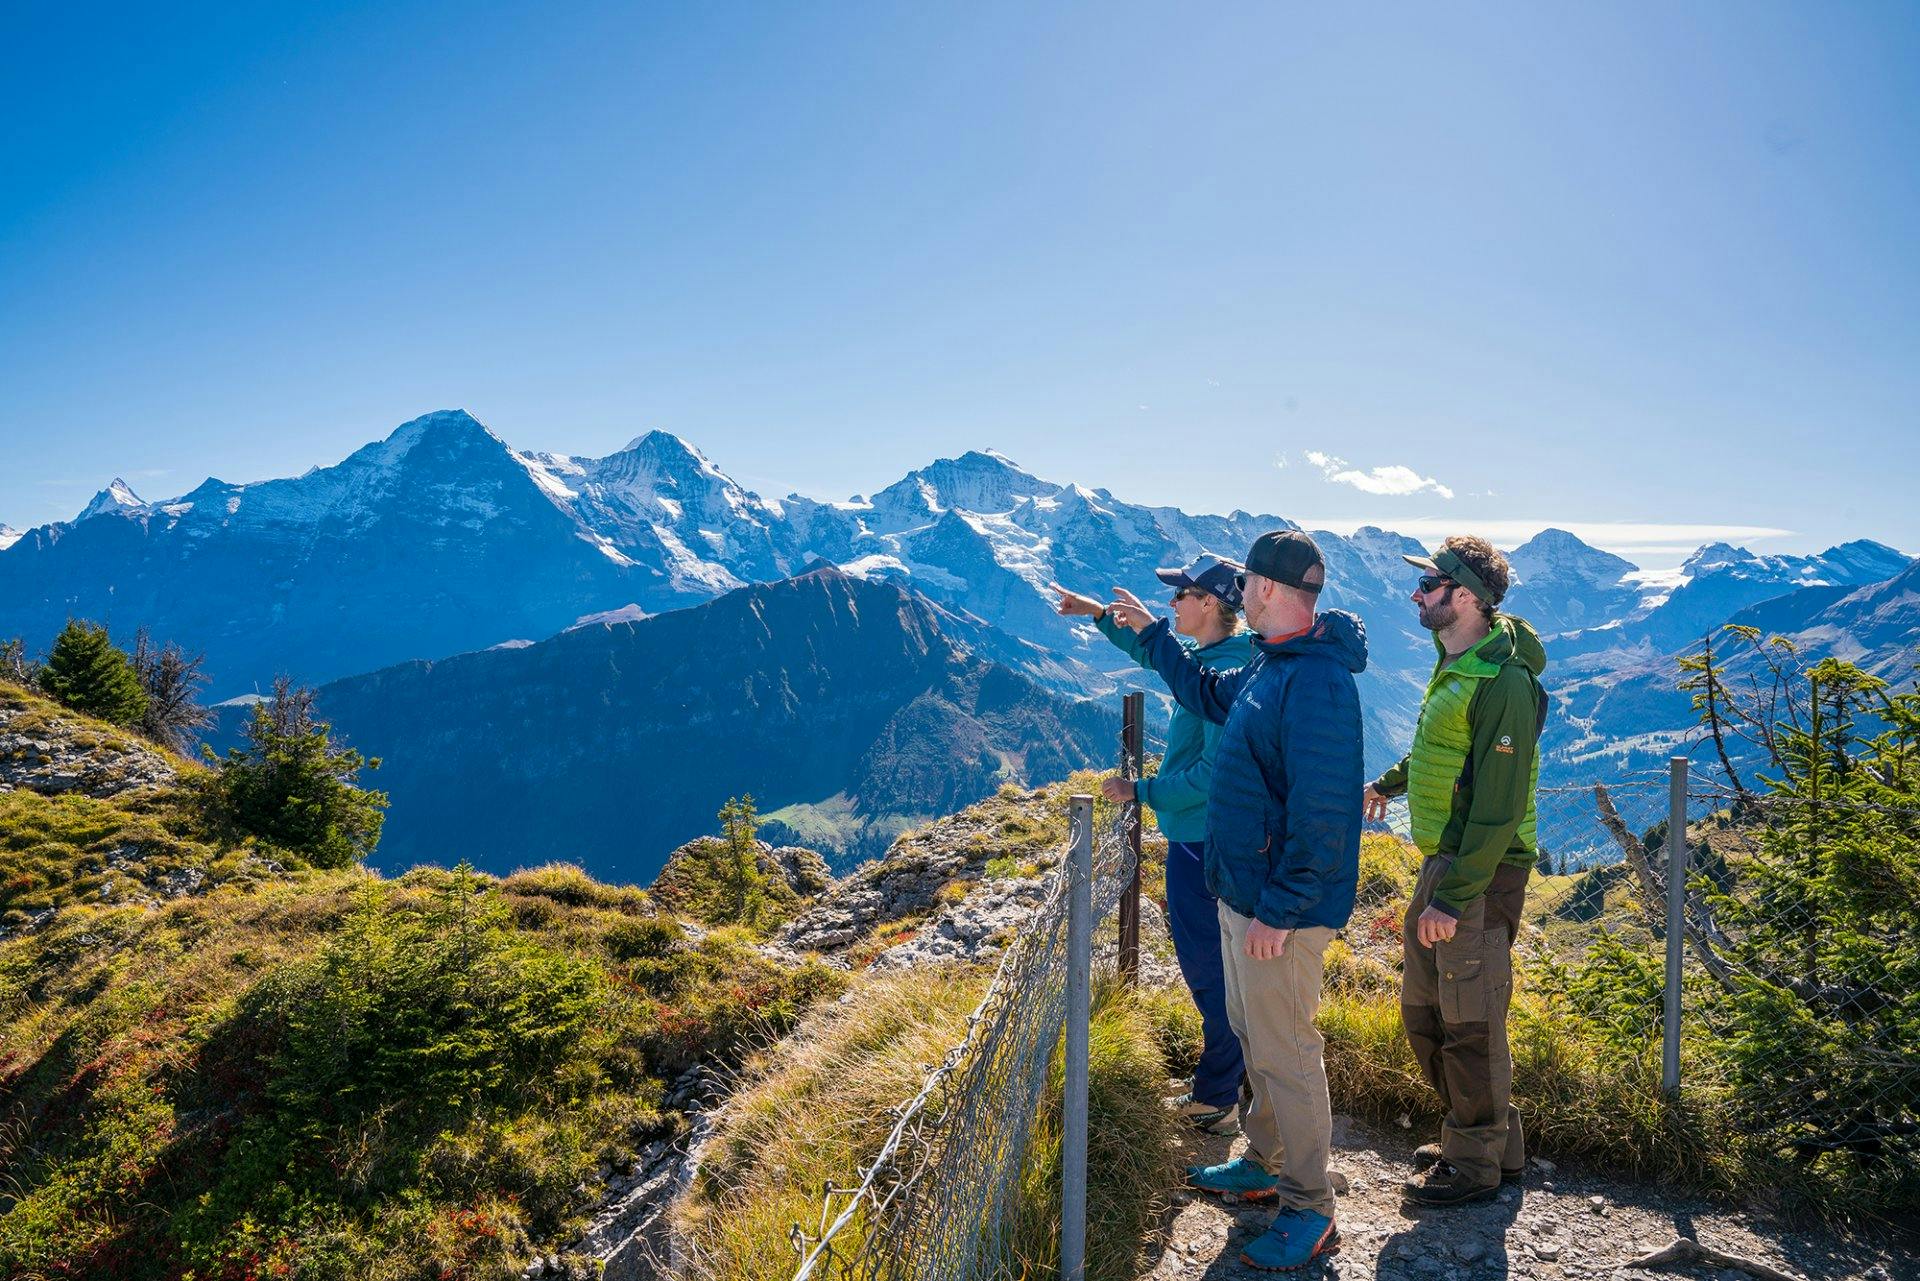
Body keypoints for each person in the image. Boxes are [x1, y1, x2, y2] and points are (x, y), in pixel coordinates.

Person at [1107, 530, 1366, 1272]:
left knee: (1286, 1053)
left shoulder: (1314, 682)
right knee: (1255, 1036)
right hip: (1243, 893)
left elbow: (1324, 816)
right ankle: (1264, 1161)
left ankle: (1311, 1208)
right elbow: (1202, 691)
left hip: (1276, 911)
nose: (1240, 587)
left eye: (1248, 579)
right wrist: (1155, 637)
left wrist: (1279, 913)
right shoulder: (1269, 662)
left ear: (1270, 590)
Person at [1361, 536, 1547, 1206]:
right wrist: (1388, 782)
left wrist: (1456, 894)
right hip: (1447, 863)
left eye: (1431, 583)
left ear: (1465, 596)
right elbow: (1442, 750)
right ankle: (1493, 1139)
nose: (1416, 593)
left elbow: (1496, 809)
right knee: (1427, 1009)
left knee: (1467, 1019)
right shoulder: (1460, 665)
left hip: (1480, 869)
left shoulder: (1505, 683)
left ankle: (1474, 1163)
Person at [1052, 554, 1254, 1135]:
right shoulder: (1217, 660)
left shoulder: (1223, 677)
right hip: (1204, 839)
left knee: (1209, 970)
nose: (1171, 604)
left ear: (1210, 604)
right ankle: (1230, 1081)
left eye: (1180, 595)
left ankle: (1218, 1097)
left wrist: (1140, 790)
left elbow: (1212, 777)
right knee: (1216, 966)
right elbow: (1157, 655)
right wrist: (1099, 614)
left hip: (1201, 842)